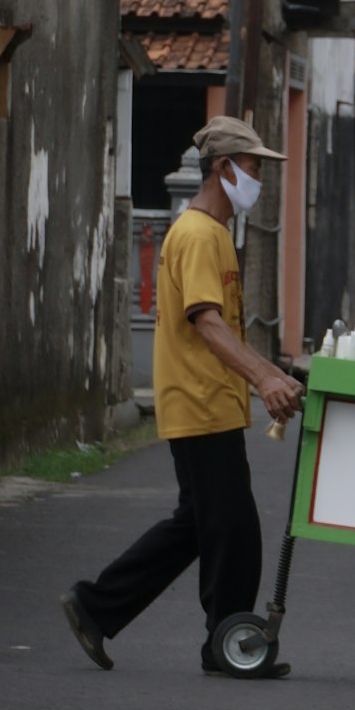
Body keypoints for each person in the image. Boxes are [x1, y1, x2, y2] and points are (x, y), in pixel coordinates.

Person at [61, 116, 303, 676]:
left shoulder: (212, 233)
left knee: (203, 524)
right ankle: (231, 643)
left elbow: (225, 329)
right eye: (254, 166)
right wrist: (264, 379)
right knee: (233, 527)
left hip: (208, 401)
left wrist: (273, 371)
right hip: (199, 402)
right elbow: (208, 324)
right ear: (224, 168)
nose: (259, 178)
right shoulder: (197, 235)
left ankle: (101, 608)